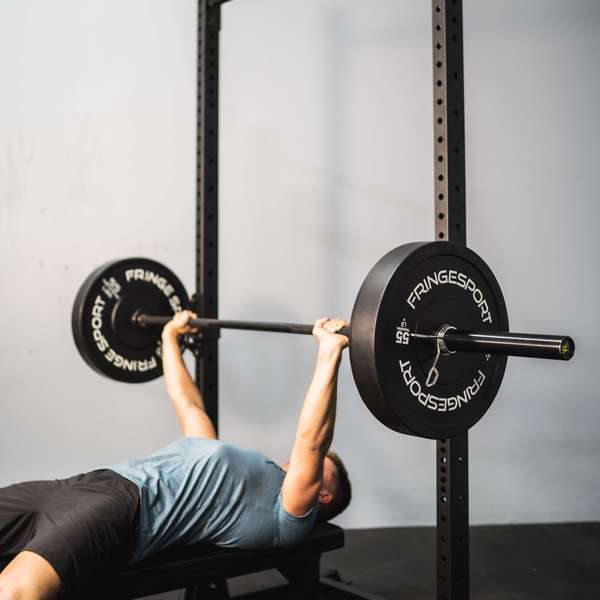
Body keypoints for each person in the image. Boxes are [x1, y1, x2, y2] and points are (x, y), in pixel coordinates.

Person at [0, 313, 352, 599]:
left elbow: (311, 441)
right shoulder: (214, 453)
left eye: (321, 469)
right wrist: (170, 338)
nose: (295, 463)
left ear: (322, 494)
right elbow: (188, 403)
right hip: (77, 485)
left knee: (16, 590)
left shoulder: (286, 515)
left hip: (123, 509)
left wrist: (329, 353)